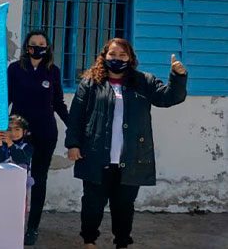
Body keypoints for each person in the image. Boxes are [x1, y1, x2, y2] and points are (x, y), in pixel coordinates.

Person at [65, 38, 187, 249]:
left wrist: (178, 76)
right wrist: (73, 144)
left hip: (131, 157)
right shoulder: (91, 83)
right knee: (92, 204)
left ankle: (122, 242)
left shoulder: (143, 81)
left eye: (123, 55)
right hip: (95, 155)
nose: (117, 59)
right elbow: (76, 116)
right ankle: (89, 240)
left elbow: (169, 98)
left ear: (130, 58)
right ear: (104, 56)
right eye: (113, 54)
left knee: (124, 206)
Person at [7, 30, 68, 246]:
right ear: (26, 46)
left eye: (42, 43)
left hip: (45, 132)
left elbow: (58, 103)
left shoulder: (53, 71)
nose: (37, 47)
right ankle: (10, 223)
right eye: (33, 43)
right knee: (14, 177)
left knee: (39, 179)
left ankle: (32, 227)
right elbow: (6, 98)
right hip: (17, 132)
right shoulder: (15, 69)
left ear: (48, 47)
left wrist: (74, 127)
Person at [0, 115, 35, 186]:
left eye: (17, 129)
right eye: (9, 129)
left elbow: (21, 159)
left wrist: (11, 144)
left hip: (19, 184)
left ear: (24, 131)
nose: (13, 133)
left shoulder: (27, 147)